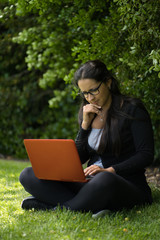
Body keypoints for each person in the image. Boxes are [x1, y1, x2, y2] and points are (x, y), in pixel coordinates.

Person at [19, 60, 154, 217]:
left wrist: (111, 170)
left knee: (104, 179)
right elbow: (78, 157)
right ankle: (90, 205)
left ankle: (57, 208)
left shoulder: (132, 109)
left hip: (122, 183)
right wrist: (84, 125)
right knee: (28, 174)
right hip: (89, 183)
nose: (90, 98)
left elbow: (145, 154)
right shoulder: (88, 112)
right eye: (84, 93)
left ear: (108, 83)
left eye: (93, 91)